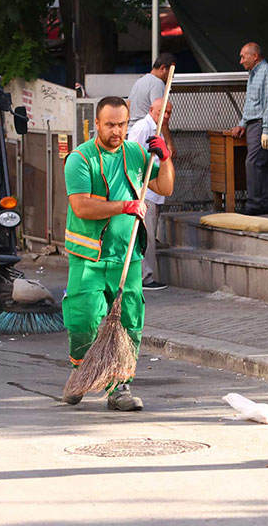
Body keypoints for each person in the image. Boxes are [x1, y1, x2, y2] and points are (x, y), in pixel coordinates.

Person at [61, 96, 174, 411]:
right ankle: (82, 373)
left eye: (122, 124)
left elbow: (165, 188)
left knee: (129, 322)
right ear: (96, 123)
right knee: (83, 320)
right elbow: (82, 205)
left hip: (128, 256)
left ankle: (119, 388)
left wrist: (164, 158)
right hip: (90, 257)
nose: (116, 131)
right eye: (110, 124)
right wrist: (126, 206)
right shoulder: (80, 159)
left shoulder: (136, 154)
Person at [126, 97, 175, 291]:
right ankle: (144, 276)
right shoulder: (142, 128)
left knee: (148, 234)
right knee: (145, 236)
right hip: (144, 192)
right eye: (163, 111)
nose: (166, 116)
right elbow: (133, 158)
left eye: (170, 113)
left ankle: (143, 274)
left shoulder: (157, 131)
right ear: (152, 110)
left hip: (155, 190)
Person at [228, 42, 268, 216]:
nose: (241, 61)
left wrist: (266, 129)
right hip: (254, 124)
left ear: (255, 56)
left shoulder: (265, 72)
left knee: (254, 163)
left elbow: (267, 103)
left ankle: (255, 203)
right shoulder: (254, 73)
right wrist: (242, 123)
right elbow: (251, 103)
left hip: (260, 124)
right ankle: (267, 202)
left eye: (244, 57)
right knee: (262, 164)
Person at [128, 53, 177, 126]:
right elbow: (160, 116)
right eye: (171, 72)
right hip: (147, 131)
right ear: (163, 68)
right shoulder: (158, 83)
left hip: (131, 131)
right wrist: (167, 137)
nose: (172, 76)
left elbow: (128, 105)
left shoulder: (139, 81)